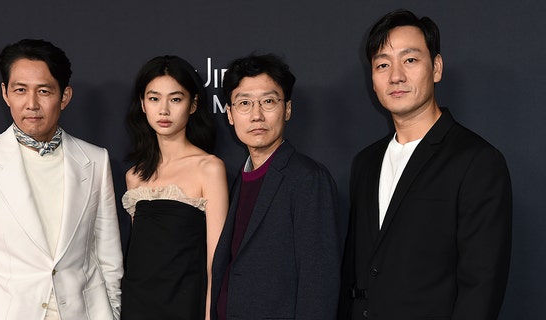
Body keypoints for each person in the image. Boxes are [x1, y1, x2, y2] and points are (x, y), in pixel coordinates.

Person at [338, 10, 512, 320]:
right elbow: (356, 271)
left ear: (436, 68)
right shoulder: (366, 163)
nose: (396, 76)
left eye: (410, 60)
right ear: (373, 80)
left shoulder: (477, 161)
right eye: (382, 64)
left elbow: (481, 286)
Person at [0, 39, 123, 320]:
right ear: (5, 93)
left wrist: (113, 312)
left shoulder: (96, 160)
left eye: (44, 91)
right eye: (20, 90)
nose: (32, 104)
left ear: (65, 96)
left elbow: (108, 257)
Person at [211, 53, 341, 319]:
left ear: (288, 109)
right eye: (244, 103)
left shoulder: (307, 178)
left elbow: (318, 284)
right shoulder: (242, 177)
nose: (256, 115)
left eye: (268, 101)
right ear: (230, 114)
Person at [121, 55, 228, 320]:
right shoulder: (135, 176)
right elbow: (141, 258)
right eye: (154, 98)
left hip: (184, 304)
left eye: (176, 99)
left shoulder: (209, 168)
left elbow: (216, 261)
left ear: (192, 105)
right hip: (137, 304)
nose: (164, 110)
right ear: (143, 104)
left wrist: (209, 315)